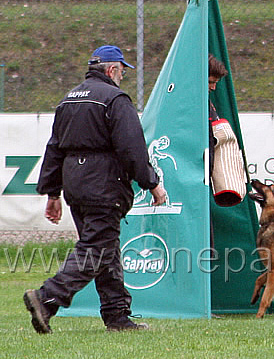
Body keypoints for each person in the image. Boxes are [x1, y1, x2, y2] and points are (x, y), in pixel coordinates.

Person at [24, 45, 167, 334]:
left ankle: (117, 317)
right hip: (104, 185)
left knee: (107, 249)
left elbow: (54, 149)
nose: (123, 77)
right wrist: (152, 183)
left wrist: (53, 194)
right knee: (97, 249)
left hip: (76, 186)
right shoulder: (115, 98)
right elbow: (133, 148)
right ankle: (47, 298)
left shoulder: (68, 100)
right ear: (112, 70)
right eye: (123, 71)